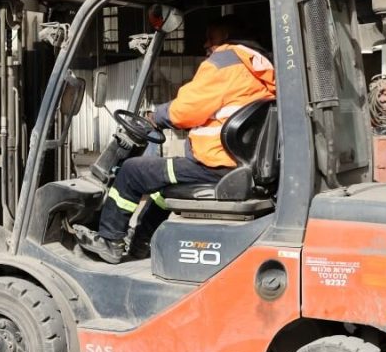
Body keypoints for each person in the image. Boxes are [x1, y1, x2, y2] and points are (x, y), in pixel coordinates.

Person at [75, 15, 276, 264]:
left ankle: (109, 239)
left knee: (132, 171)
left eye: (211, 37)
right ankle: (141, 242)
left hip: (215, 166)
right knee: (160, 188)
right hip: (239, 165)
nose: (206, 44)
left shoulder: (225, 61)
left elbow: (186, 109)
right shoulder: (260, 67)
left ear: (226, 36)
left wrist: (155, 117)